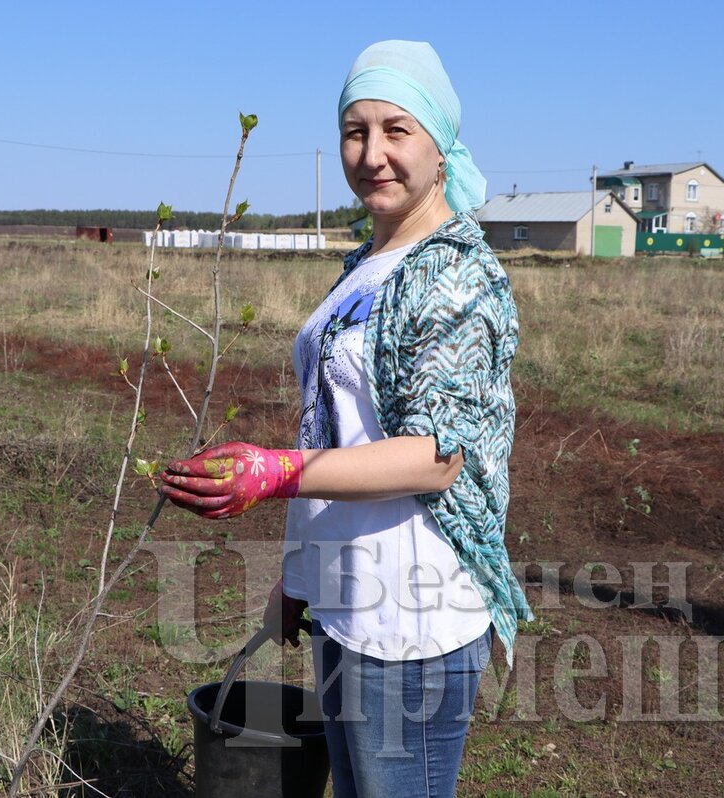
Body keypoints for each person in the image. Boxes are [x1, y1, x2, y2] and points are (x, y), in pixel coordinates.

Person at [161, 40, 532, 797]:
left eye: (397, 130)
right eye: (354, 131)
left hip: (412, 619)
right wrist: (303, 576)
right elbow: (331, 426)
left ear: (440, 145)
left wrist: (278, 473)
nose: (372, 154)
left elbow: (437, 455)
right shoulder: (368, 264)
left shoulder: (455, 272)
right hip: (348, 598)